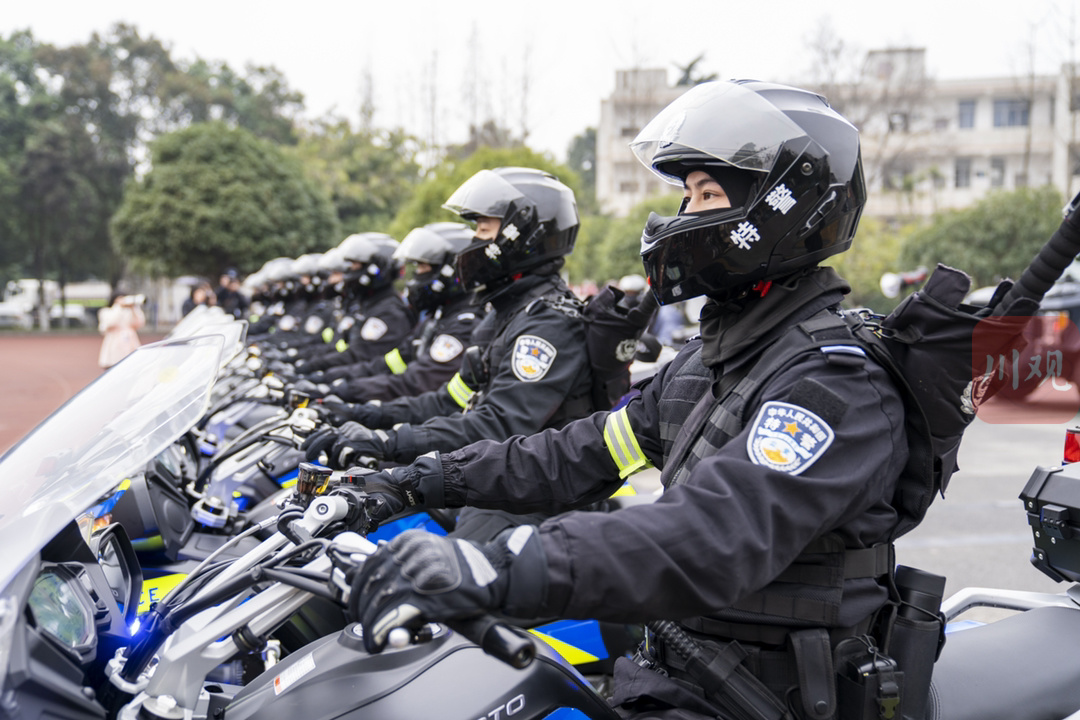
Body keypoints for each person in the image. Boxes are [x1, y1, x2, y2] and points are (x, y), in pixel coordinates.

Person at [342, 81, 909, 720]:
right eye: (687, 195)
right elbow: (573, 453)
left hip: (763, 699)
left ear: (785, 211)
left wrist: (499, 566)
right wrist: (417, 480)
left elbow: (713, 533)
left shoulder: (834, 383)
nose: (684, 216)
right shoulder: (707, 360)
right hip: (675, 670)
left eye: (709, 195)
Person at [303, 167, 595, 539]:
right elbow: (447, 400)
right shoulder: (505, 315)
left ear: (522, 237)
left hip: (531, 499)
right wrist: (363, 416)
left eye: (484, 230)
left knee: (421, 580)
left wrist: (389, 442)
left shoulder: (547, 325)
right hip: (487, 477)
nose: (474, 242)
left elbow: (497, 425)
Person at [98, 291, 146, 369]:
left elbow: (140, 323)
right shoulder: (106, 311)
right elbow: (110, 322)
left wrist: (134, 308)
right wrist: (118, 307)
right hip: (114, 343)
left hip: (130, 342)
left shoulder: (130, 311)